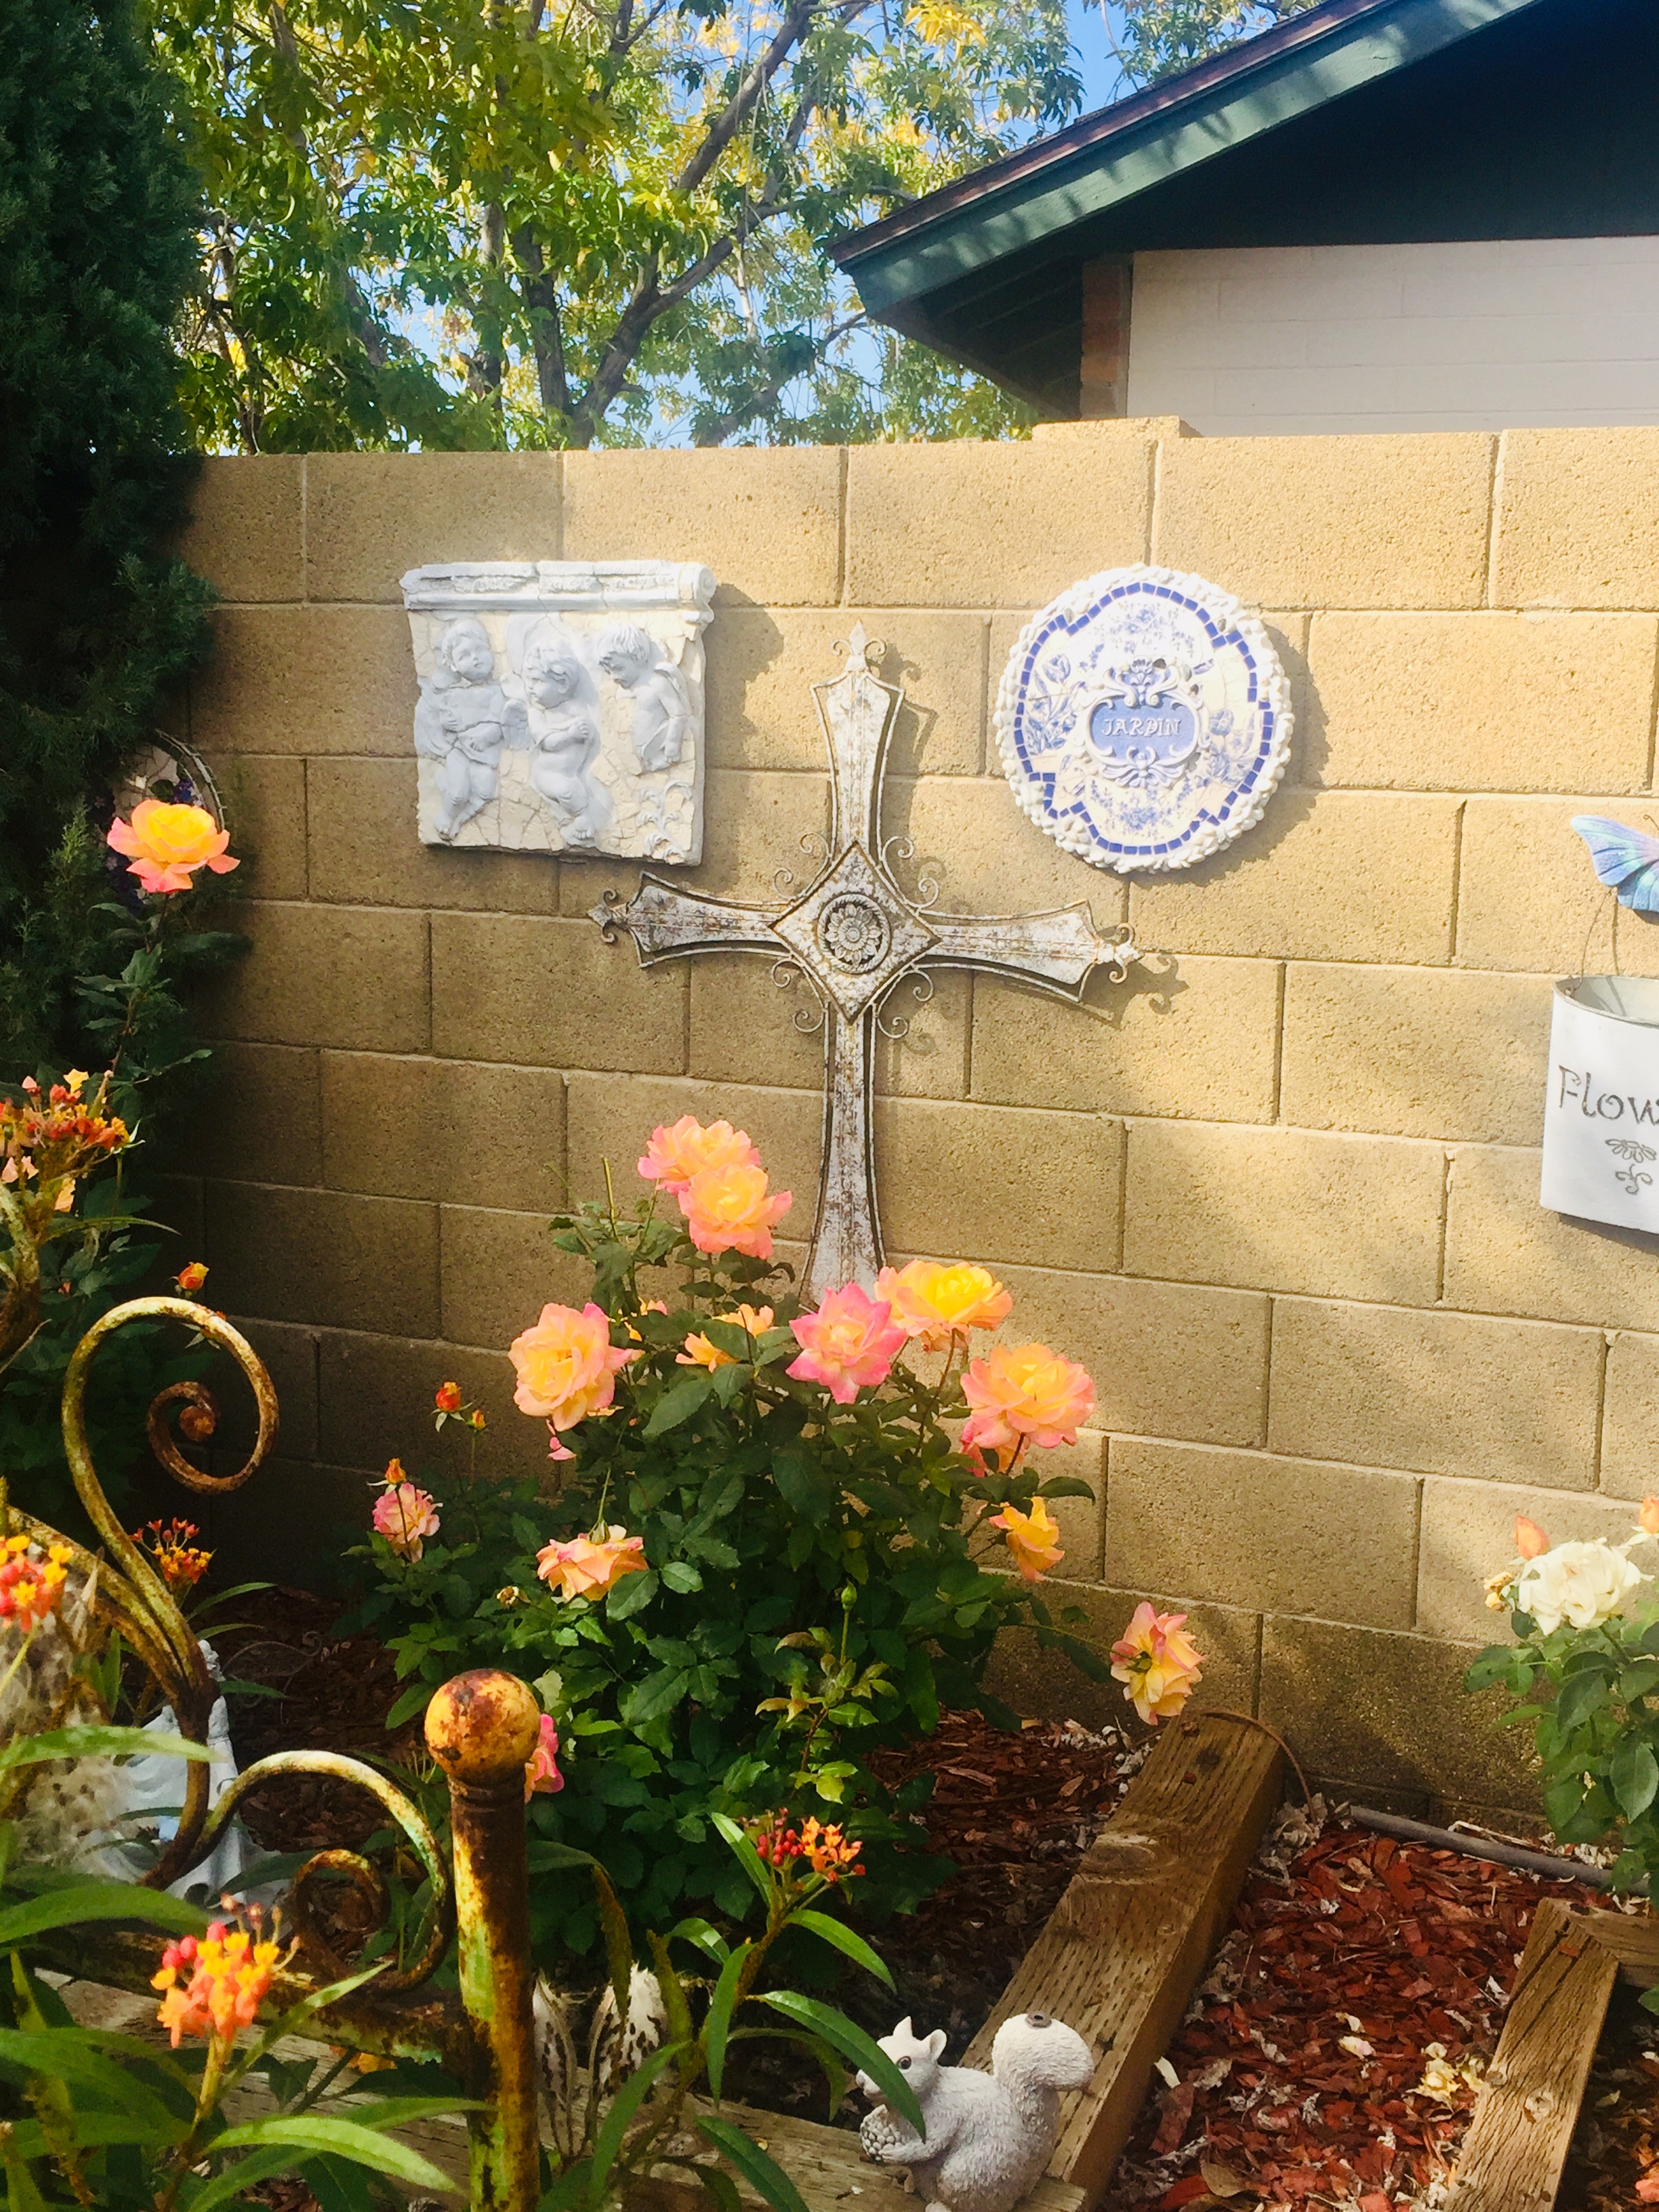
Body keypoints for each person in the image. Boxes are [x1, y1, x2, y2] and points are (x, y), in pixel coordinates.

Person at [414, 618, 523, 840]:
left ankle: (460, 820)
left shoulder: (498, 693)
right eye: (465, 655)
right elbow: (444, 719)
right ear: (453, 666)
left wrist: (486, 737)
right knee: (458, 794)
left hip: (484, 757)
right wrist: (449, 724)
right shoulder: (454, 694)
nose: (475, 658)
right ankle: (447, 815)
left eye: (480, 650)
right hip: (460, 752)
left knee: (485, 793)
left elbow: (501, 725)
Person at [522, 630, 614, 847]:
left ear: (562, 684)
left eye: (536, 681)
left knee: (574, 788)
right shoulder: (537, 714)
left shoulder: (575, 708)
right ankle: (582, 818)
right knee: (567, 790)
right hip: (547, 774)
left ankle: (572, 822)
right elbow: (548, 743)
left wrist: (585, 734)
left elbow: (589, 735)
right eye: (528, 680)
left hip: (570, 774)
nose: (530, 688)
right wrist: (570, 734)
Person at [596, 622, 692, 773]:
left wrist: (672, 742)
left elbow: (678, 714)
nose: (614, 677)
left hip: (658, 751)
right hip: (631, 759)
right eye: (609, 672)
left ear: (637, 657)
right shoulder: (622, 690)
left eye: (619, 669)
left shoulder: (657, 683)